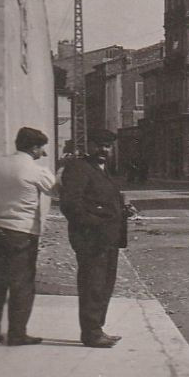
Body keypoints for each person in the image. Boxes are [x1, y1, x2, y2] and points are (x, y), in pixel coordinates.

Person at [0, 127, 56, 346]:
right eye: (42, 148)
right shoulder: (36, 171)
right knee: (21, 284)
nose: (43, 153)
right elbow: (56, 192)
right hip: (22, 232)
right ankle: (17, 333)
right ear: (34, 148)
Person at [60, 129, 135, 348]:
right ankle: (91, 333)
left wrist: (123, 210)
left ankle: (97, 329)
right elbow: (71, 205)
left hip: (108, 238)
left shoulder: (101, 169)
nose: (103, 150)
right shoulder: (77, 168)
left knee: (103, 285)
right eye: (99, 145)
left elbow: (101, 200)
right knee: (93, 285)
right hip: (92, 239)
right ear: (89, 145)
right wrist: (97, 224)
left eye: (108, 146)